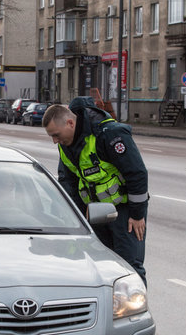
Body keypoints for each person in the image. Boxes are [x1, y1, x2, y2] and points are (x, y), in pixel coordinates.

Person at [43, 97, 149, 284]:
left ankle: (134, 312)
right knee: (101, 268)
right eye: (52, 136)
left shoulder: (109, 134)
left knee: (129, 268)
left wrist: (137, 215)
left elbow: (137, 173)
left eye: (56, 135)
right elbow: (68, 184)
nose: (54, 141)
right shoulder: (66, 146)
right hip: (94, 213)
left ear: (70, 123)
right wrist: (76, 219)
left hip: (124, 212)